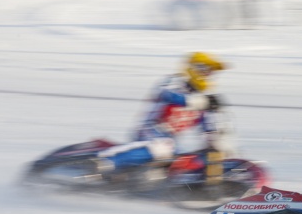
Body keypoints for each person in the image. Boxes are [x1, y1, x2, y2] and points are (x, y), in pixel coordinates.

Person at [97, 52, 228, 182]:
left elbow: (208, 127)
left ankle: (187, 184)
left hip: (171, 142)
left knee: (188, 158)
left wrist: (214, 143)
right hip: (150, 131)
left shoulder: (204, 101)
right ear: (194, 68)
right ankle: (107, 162)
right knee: (163, 147)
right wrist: (197, 101)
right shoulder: (174, 82)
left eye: (211, 72)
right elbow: (167, 94)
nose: (208, 75)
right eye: (206, 70)